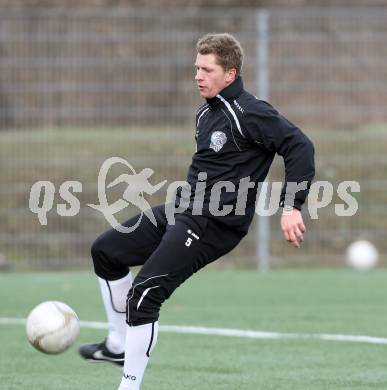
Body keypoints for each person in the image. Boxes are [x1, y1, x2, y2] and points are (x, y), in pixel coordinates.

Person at [79, 33, 315, 390]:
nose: (198, 76)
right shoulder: (206, 112)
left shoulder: (250, 113)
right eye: (197, 68)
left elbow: (299, 145)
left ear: (230, 74)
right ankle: (116, 344)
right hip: (186, 209)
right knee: (106, 251)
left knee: (145, 294)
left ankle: (129, 386)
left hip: (215, 224)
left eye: (207, 69)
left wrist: (291, 207)